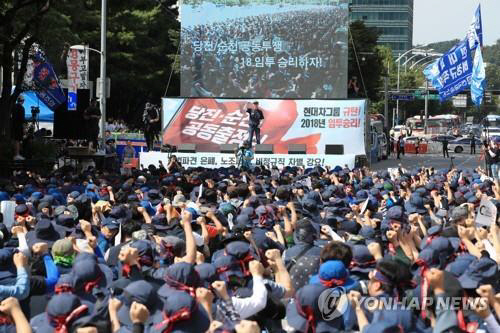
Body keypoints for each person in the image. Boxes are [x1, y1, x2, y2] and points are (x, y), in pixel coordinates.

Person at [11, 95, 26, 160]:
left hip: (13, 126)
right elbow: (22, 120)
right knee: (18, 140)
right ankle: (17, 154)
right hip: (19, 126)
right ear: (22, 101)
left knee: (15, 140)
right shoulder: (21, 108)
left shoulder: (14, 106)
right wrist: (24, 128)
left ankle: (15, 154)